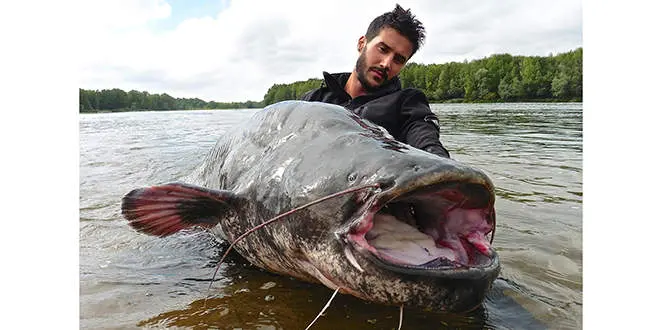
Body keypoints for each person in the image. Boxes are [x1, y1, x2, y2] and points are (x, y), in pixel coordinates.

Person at [300, 4, 450, 158]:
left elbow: (426, 140)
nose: (386, 64)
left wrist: (442, 165)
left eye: (398, 59)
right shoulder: (312, 100)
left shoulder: (406, 104)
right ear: (361, 44)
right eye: (383, 49)